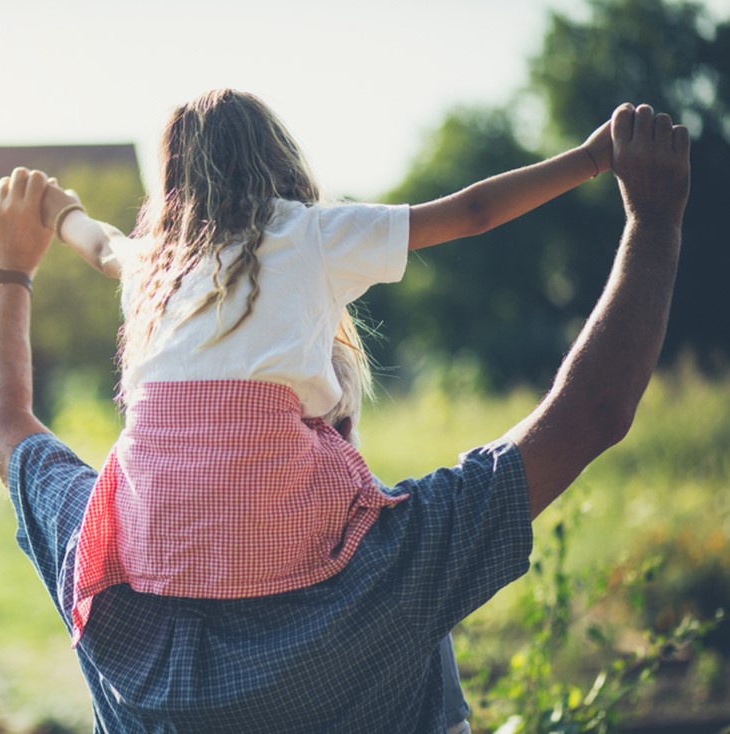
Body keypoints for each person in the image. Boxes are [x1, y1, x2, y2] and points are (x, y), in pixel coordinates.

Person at [0, 102, 689, 732]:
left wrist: (20, 255)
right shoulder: (396, 565)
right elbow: (588, 403)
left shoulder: (101, 569)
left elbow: (2, 419)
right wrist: (630, 195)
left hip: (147, 571)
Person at [38, 89, 614, 648]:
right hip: (275, 530)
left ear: (171, 180)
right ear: (276, 157)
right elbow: (474, 212)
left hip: (155, 537)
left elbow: (101, 244)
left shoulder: (154, 262)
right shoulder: (306, 231)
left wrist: (60, 211)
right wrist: (590, 159)